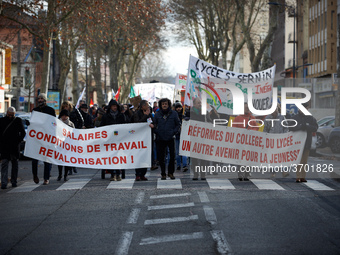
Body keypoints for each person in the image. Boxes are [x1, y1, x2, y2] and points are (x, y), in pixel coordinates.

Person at [289, 102, 318, 183]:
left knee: (304, 161)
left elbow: (315, 128)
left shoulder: (311, 118)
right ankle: (298, 176)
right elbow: (290, 127)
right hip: (297, 143)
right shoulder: (295, 117)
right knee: (298, 160)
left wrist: (307, 126)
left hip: (306, 142)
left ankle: (303, 177)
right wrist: (300, 126)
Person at [32, 93, 56, 185]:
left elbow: (54, 123)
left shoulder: (50, 110)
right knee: (34, 159)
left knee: (47, 159)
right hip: (37, 138)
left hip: (47, 138)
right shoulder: (35, 110)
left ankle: (46, 178)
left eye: (42, 98)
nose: (40, 100)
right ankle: (35, 175)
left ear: (45, 100)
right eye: (39, 98)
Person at [153, 98, 180, 180]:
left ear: (168, 105)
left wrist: (173, 132)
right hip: (161, 138)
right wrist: (158, 132)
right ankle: (163, 173)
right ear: (161, 105)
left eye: (166, 104)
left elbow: (178, 124)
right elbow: (153, 126)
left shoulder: (174, 113)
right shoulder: (157, 114)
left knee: (172, 156)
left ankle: (171, 173)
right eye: (163, 104)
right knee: (161, 157)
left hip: (171, 138)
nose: (164, 105)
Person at [100, 99, 126, 181]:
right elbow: (102, 127)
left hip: (119, 139)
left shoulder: (121, 116)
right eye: (113, 106)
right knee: (111, 157)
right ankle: (112, 174)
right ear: (110, 107)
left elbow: (125, 126)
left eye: (116, 106)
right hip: (109, 139)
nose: (114, 107)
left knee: (118, 156)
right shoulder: (105, 116)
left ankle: (118, 173)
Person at [0, 107, 26, 189]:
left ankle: (14, 181)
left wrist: (18, 140)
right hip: (5, 146)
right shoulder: (2, 121)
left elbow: (23, 132)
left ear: (14, 114)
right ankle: (4, 182)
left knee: (15, 164)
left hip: (14, 146)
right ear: (6, 113)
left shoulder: (18, 120)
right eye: (9, 115)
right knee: (4, 164)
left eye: (12, 115)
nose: (10, 116)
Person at [233, 102, 258, 181]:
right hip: (241, 142)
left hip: (249, 142)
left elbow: (256, 128)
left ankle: (247, 173)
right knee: (241, 158)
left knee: (248, 158)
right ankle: (240, 173)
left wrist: (251, 131)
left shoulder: (252, 118)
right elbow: (233, 129)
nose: (247, 109)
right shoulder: (237, 118)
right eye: (246, 107)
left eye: (248, 107)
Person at [264, 105, 289, 178]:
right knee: (272, 157)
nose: (275, 111)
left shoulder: (282, 117)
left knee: (282, 156)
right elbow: (265, 130)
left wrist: (284, 136)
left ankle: (284, 171)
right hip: (271, 140)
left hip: (281, 140)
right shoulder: (267, 118)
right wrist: (266, 138)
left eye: (276, 110)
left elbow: (286, 128)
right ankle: (273, 172)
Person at [57, 110, 75, 182]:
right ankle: (60, 174)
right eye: (63, 115)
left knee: (66, 161)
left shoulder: (71, 124)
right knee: (60, 160)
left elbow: (74, 133)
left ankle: (65, 175)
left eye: (66, 116)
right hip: (59, 144)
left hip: (68, 144)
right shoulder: (57, 123)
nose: (64, 117)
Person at [174, 102, 188, 172]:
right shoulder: (174, 115)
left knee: (184, 150)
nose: (178, 109)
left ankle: (184, 165)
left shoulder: (184, 115)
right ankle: (179, 164)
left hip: (184, 135)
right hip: (177, 135)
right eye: (177, 107)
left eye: (179, 107)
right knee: (178, 151)